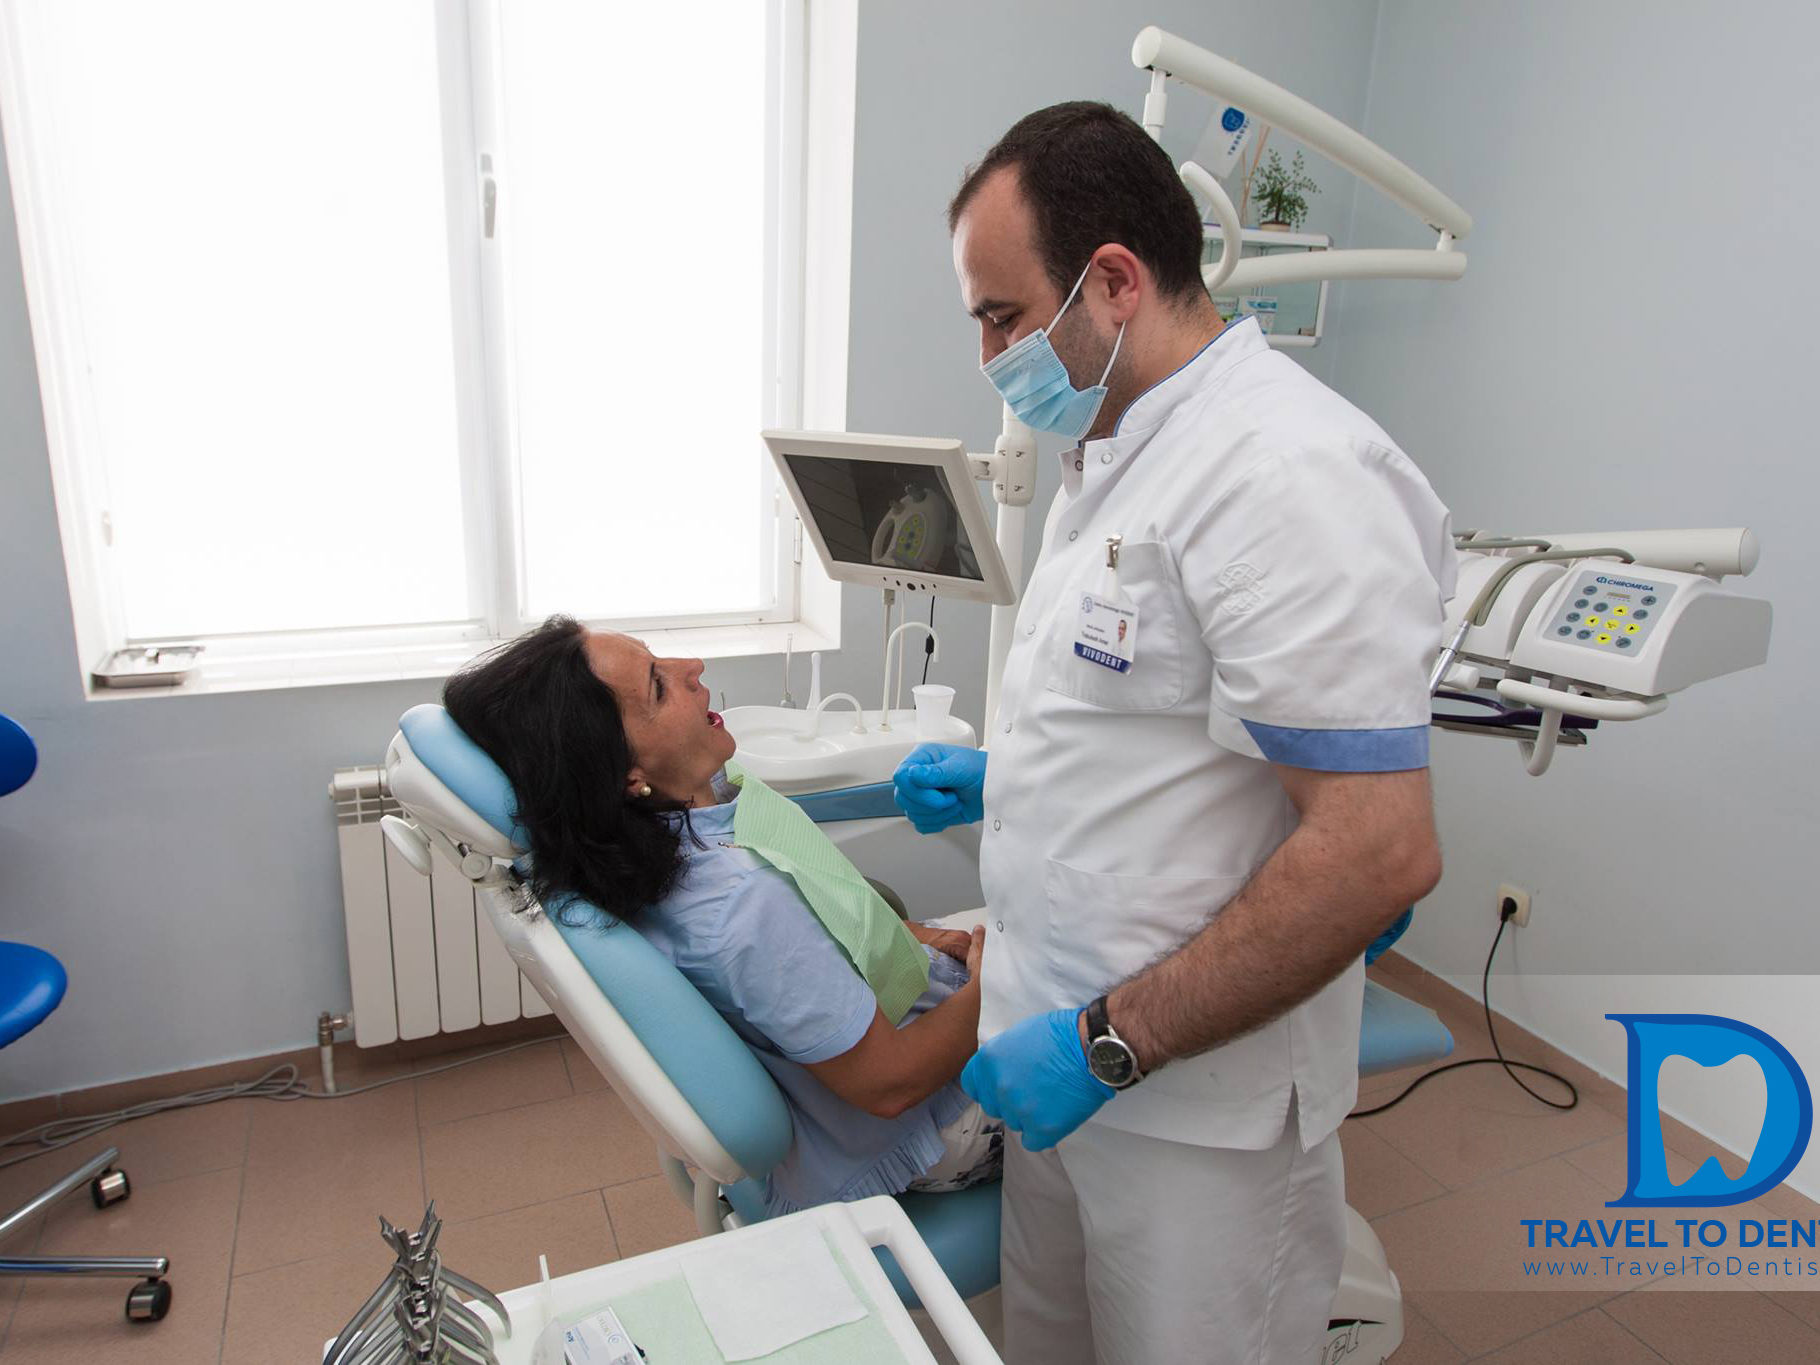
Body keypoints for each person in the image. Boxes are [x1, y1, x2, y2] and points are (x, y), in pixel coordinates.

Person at [893, 102, 1455, 1365]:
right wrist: (1006, 779)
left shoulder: (1286, 471)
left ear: (1112, 281)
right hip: (1052, 1055)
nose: (989, 354)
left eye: (1001, 316)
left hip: (1185, 1109)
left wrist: (1108, 1044)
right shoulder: (1112, 452)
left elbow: (1376, 852)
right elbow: (1145, 730)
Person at [444, 616, 1002, 1216]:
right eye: (659, 687)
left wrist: (904, 937)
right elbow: (890, 1084)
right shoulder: (740, 905)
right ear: (627, 775)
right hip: (935, 1128)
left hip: (886, 1040)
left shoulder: (647, 852)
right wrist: (1002, 977)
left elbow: (806, 924)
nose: (694, 669)